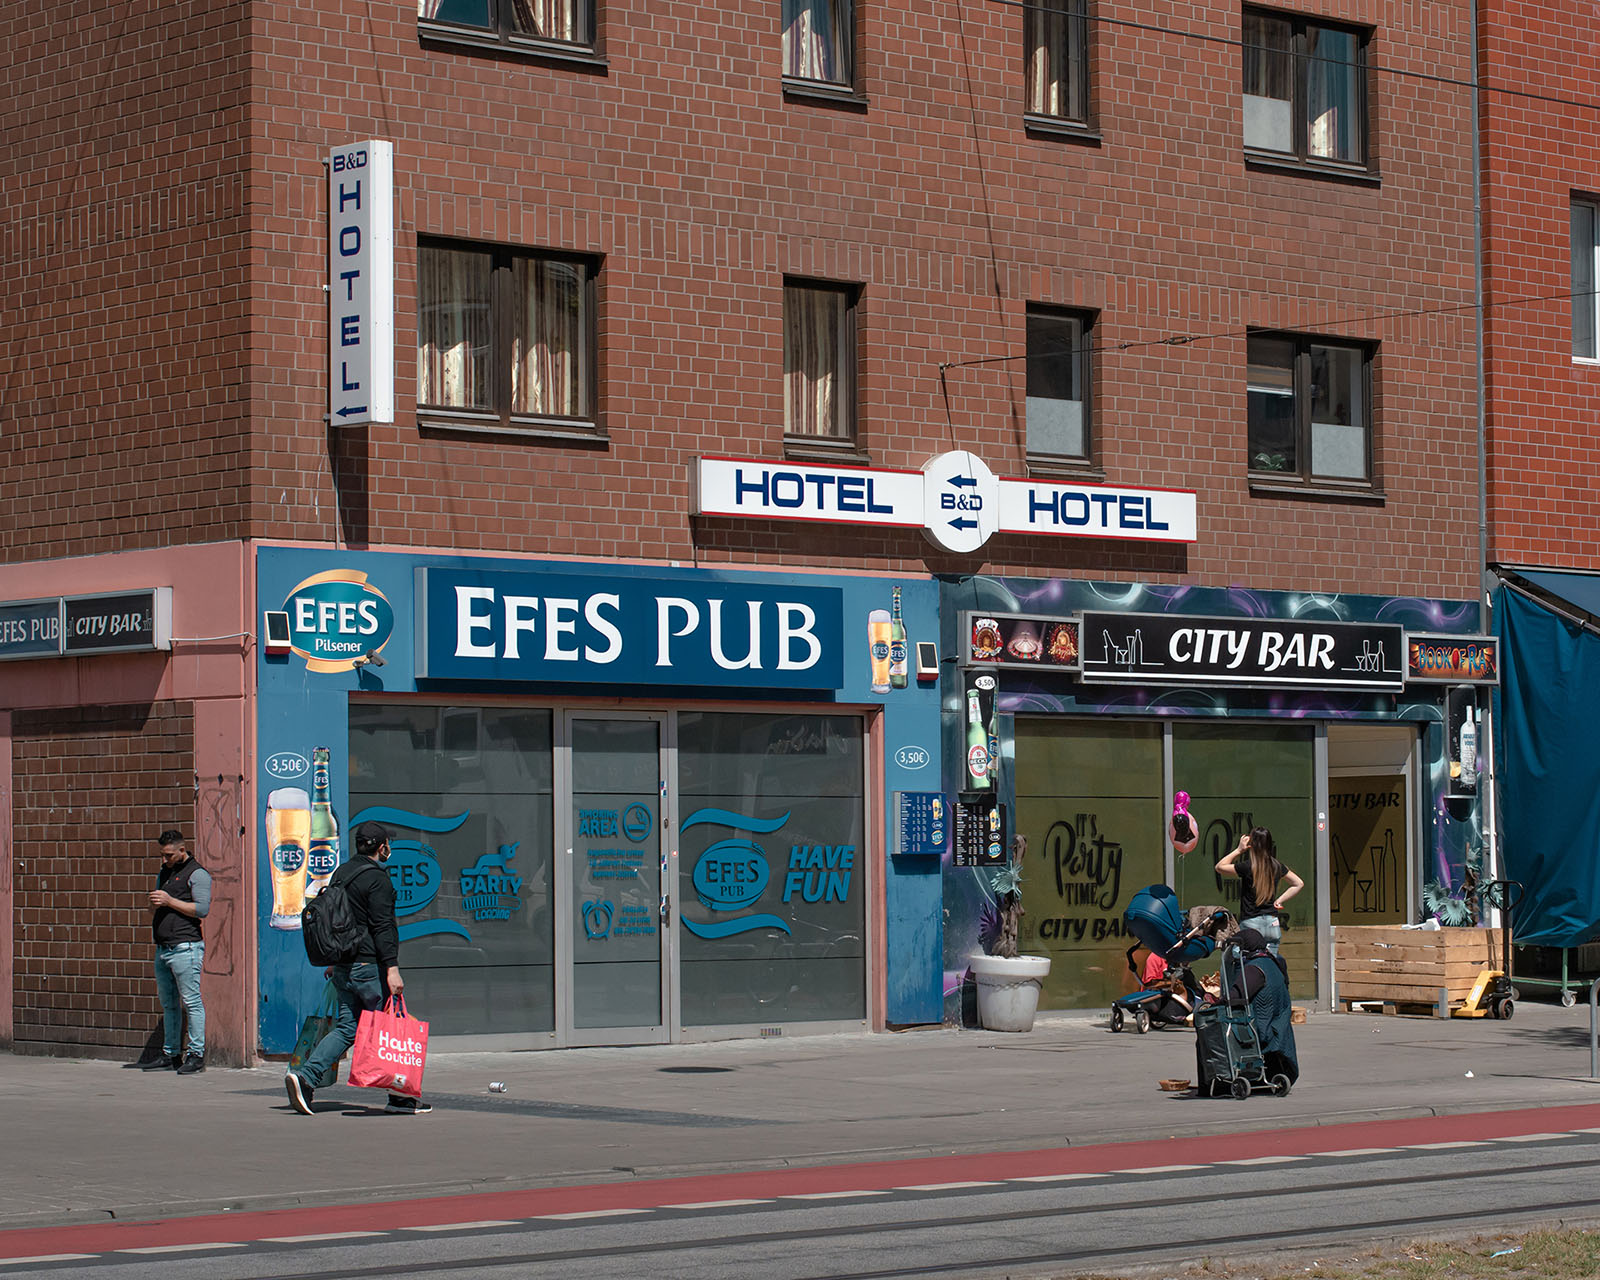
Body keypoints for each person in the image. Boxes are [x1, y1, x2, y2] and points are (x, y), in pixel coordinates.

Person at [284, 820, 430, 1116]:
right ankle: (399, 1097)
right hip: (369, 967)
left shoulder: (342, 873)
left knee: (347, 1028)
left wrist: (335, 961)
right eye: (387, 844)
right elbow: (383, 927)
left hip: (344, 965)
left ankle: (305, 1078)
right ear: (382, 847)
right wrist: (392, 968)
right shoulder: (378, 879)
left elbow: (337, 919)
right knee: (389, 1028)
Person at [146, 829, 210, 1074]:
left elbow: (202, 909)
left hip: (186, 946)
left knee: (192, 1002)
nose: (165, 859)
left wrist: (169, 901)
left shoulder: (197, 874)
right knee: (169, 1003)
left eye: (169, 855)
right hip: (163, 947)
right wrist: (154, 905)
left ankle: (196, 1055)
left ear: (182, 850)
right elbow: (156, 905)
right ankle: (170, 1054)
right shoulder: (165, 872)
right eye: (163, 855)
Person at [1215, 825, 1302, 956]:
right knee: (1269, 962)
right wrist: (1279, 900)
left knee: (1239, 961)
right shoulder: (1276, 866)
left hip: (1251, 924)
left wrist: (1239, 850)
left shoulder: (1247, 867)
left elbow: (1219, 867)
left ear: (1252, 844)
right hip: (1272, 923)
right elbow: (1298, 883)